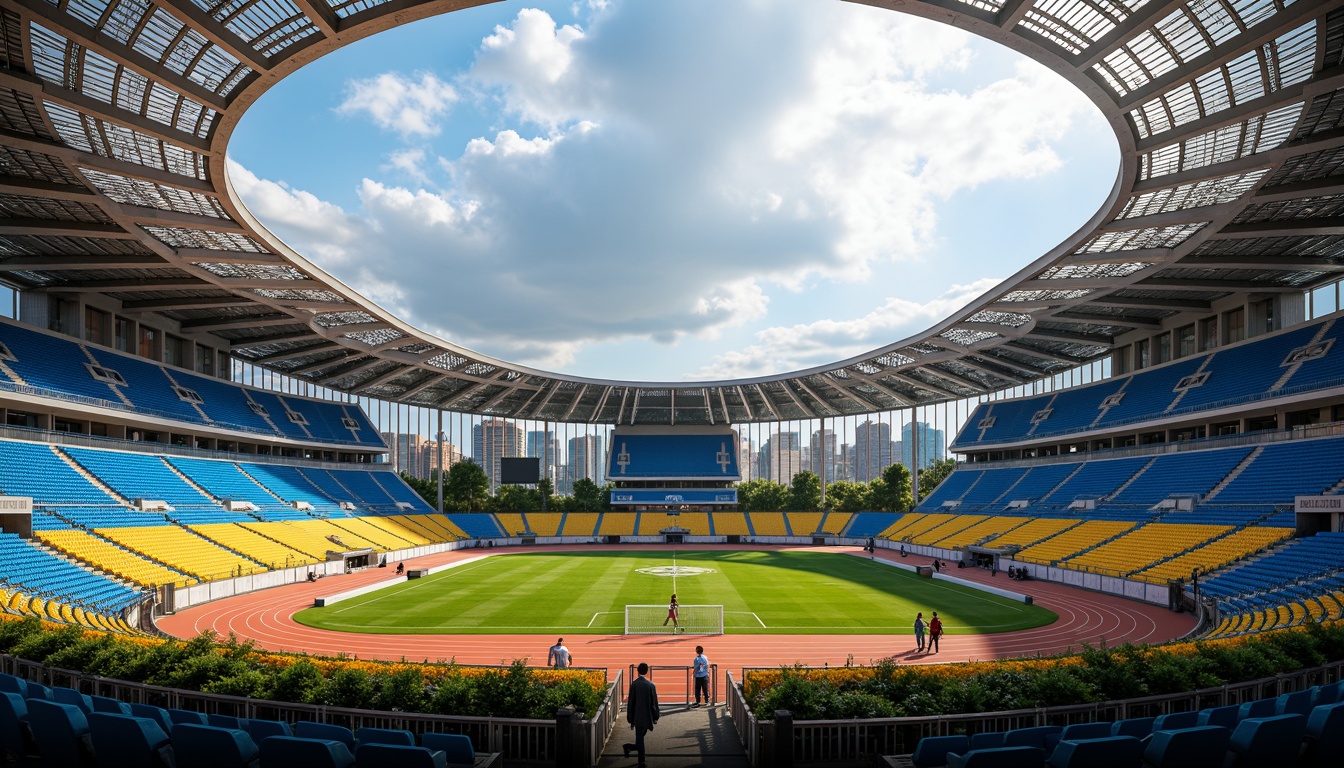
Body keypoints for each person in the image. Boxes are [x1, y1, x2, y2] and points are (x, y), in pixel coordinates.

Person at [623, 662, 660, 766]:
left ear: (637, 671)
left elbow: (631, 703)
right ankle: (641, 760)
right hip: (647, 716)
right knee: (640, 738)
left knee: (640, 739)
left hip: (637, 717)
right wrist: (656, 716)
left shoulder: (634, 684)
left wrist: (630, 718)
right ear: (647, 672)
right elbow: (654, 703)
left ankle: (628, 747)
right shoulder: (651, 685)